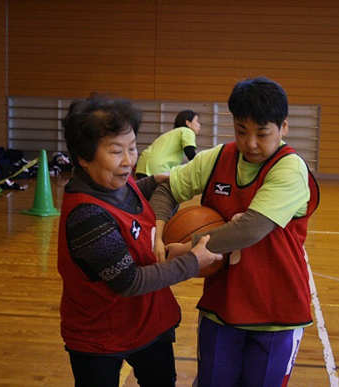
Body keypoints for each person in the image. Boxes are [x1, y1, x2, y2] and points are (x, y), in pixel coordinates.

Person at [150, 77, 320, 386]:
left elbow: (251, 228)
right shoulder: (217, 158)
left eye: (262, 133)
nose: (251, 143)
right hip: (222, 305)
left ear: (284, 127)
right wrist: (159, 234)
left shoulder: (290, 168)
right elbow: (165, 190)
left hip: (277, 310)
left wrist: (188, 250)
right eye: (242, 131)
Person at [57, 94, 222, 387]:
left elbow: (130, 190)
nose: (128, 160)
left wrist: (151, 182)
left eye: (132, 148)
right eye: (115, 151)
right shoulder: (87, 216)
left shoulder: (117, 180)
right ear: (83, 157)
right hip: (99, 336)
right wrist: (192, 262)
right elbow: (129, 282)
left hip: (146, 324)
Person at [134, 110, 201, 179]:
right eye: (197, 121)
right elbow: (189, 151)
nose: (199, 125)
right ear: (188, 123)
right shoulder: (187, 131)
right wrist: (199, 168)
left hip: (141, 165)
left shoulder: (172, 133)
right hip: (157, 166)